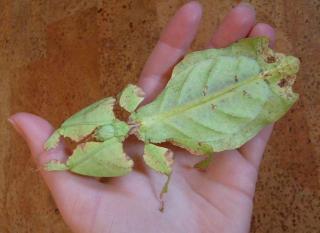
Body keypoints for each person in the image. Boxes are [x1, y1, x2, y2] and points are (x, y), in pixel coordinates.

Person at [9, 2, 276, 233]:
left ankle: (266, 77)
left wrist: (65, 158)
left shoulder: (146, 140)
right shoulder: (133, 110)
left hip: (230, 90)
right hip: (219, 99)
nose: (105, 133)